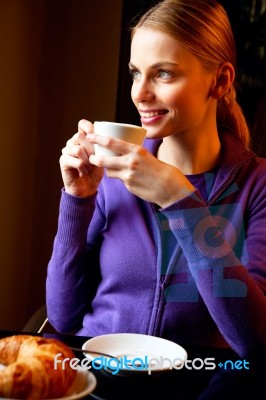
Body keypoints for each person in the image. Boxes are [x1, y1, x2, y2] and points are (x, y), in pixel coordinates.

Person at [46, 0, 266, 364]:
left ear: (221, 80)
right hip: (99, 379)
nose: (140, 93)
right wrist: (78, 198)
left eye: (163, 73)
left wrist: (180, 199)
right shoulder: (111, 175)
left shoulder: (257, 185)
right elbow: (63, 317)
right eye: (135, 73)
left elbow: (255, 341)